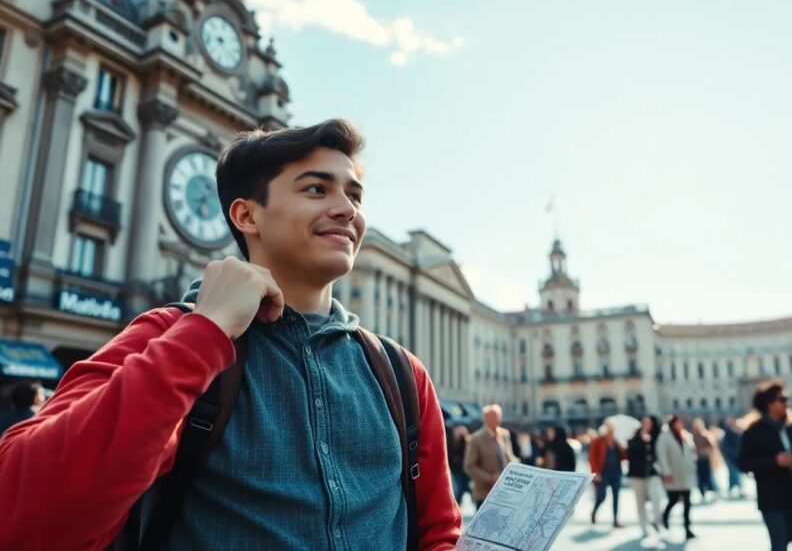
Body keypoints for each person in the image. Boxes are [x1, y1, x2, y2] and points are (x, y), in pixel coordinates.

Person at [0, 120, 462, 550]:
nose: (347, 210)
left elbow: (438, 532)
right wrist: (206, 332)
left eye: (355, 195)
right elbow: (23, 519)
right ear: (246, 216)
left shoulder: (401, 373)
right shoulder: (166, 336)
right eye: (317, 189)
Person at [738, 381, 792, 551]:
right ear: (770, 404)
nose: (787, 403)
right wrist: (774, 462)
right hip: (773, 500)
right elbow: (743, 463)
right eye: (782, 399)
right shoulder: (754, 431)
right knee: (779, 545)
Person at [465, 404, 518, 509]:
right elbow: (469, 466)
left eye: (499, 415)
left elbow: (509, 457)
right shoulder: (476, 439)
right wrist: (490, 478)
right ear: (486, 418)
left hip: (504, 491)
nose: (498, 418)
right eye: (494, 415)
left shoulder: (504, 434)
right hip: (485, 493)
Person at [656, 414, 697, 539]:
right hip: (673, 474)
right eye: (678, 422)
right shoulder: (665, 436)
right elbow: (661, 455)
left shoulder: (686, 435)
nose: (681, 424)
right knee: (673, 500)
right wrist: (666, 472)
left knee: (687, 502)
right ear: (673, 423)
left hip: (686, 474)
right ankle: (665, 517)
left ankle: (687, 528)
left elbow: (691, 452)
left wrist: (692, 463)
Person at [627, 416, 664, 537]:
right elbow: (631, 453)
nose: (647, 425)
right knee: (640, 502)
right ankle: (643, 526)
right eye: (645, 422)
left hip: (652, 473)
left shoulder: (657, 436)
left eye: (649, 422)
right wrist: (642, 441)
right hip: (637, 474)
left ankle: (657, 521)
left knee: (656, 498)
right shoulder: (634, 436)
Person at [588, 421, 626, 528]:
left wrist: (623, 447)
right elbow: (592, 458)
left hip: (616, 472)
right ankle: (594, 511)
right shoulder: (598, 441)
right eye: (609, 429)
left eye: (612, 429)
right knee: (601, 496)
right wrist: (596, 473)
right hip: (604, 473)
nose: (611, 431)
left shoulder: (616, 442)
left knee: (616, 496)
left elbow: (623, 456)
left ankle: (615, 520)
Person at [691, 418, 718, 502]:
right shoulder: (693, 436)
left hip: (706, 459)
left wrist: (705, 451)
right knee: (700, 478)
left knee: (709, 477)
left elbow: (711, 447)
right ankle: (702, 492)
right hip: (698, 460)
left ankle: (712, 491)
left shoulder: (706, 435)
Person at [448, 425, 472, 510]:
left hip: (464, 471)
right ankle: (456, 507)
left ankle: (457, 507)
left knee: (464, 489)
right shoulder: (453, 442)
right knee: (459, 490)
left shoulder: (466, 443)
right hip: (457, 471)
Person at [720, 417, 744, 497]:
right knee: (732, 474)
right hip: (731, 458)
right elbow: (725, 447)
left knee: (738, 474)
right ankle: (731, 489)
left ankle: (740, 489)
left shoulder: (738, 432)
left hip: (738, 457)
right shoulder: (728, 434)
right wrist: (731, 454)